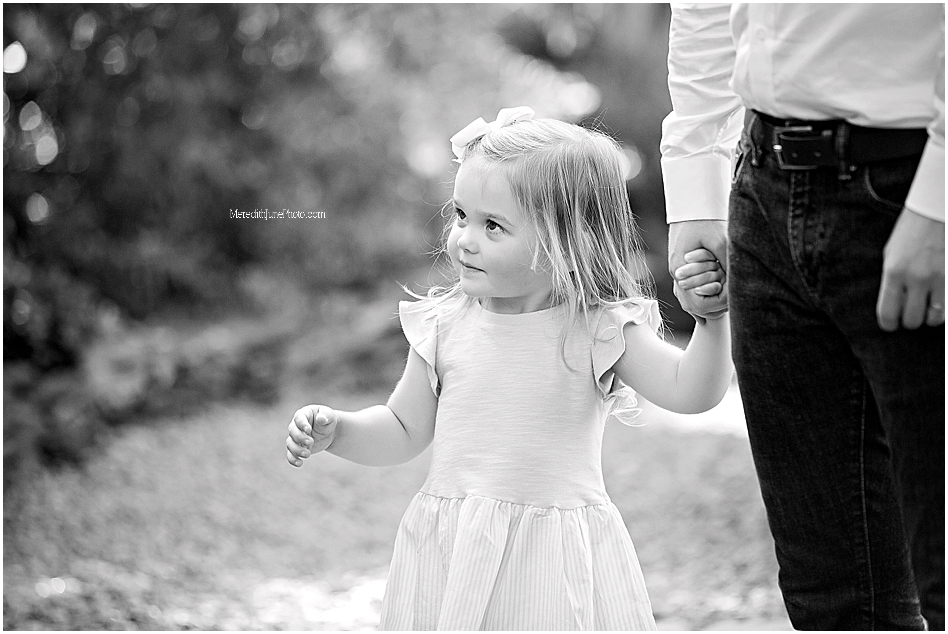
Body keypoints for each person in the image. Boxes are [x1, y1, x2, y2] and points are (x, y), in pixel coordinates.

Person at [285, 106, 733, 630]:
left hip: (553, 559)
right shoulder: (444, 326)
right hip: (455, 550)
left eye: (493, 225)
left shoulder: (595, 328)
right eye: (461, 216)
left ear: (566, 241)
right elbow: (403, 428)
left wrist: (711, 320)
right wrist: (339, 431)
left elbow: (691, 392)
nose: (465, 239)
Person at [660, 4, 945, 630]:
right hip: (762, 184)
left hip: (913, 180)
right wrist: (696, 181)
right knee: (833, 597)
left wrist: (940, 202)